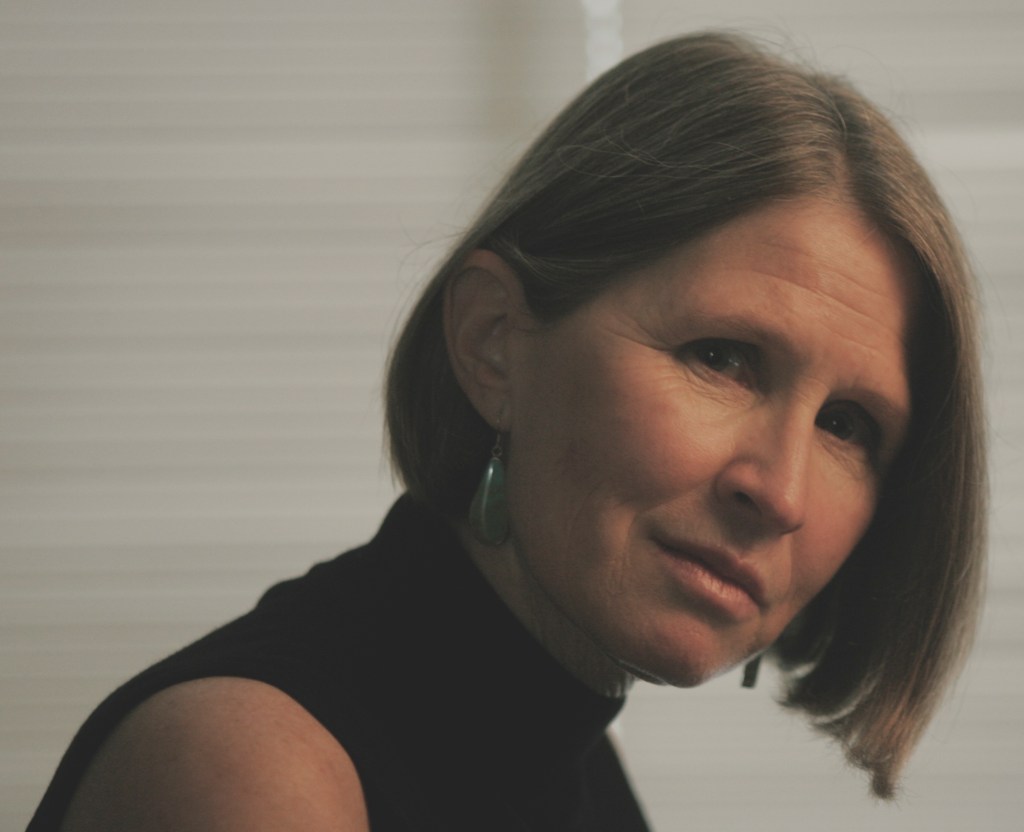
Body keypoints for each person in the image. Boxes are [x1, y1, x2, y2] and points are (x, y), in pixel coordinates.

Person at [29, 30, 985, 831]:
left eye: (846, 425)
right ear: (494, 345)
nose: (778, 491)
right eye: (722, 358)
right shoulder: (256, 775)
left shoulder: (577, 766)